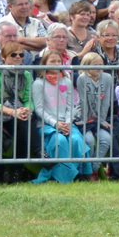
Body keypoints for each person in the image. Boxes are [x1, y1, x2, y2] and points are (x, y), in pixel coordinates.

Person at [30, 52, 97, 182]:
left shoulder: (66, 81)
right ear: (44, 64)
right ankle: (65, 176)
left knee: (76, 139)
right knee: (59, 140)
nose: (56, 64)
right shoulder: (38, 84)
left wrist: (66, 123)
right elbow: (39, 108)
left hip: (66, 123)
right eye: (52, 61)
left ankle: (86, 173)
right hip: (47, 125)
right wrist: (56, 124)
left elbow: (70, 105)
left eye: (58, 61)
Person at [0, 39, 38, 181]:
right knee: (21, 123)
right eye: (13, 55)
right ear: (4, 57)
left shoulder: (26, 74)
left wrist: (27, 109)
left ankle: (17, 171)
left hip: (19, 112)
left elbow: (29, 99)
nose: (18, 58)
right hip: (0, 113)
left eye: (21, 55)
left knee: (23, 122)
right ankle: (36, 153)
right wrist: (14, 112)